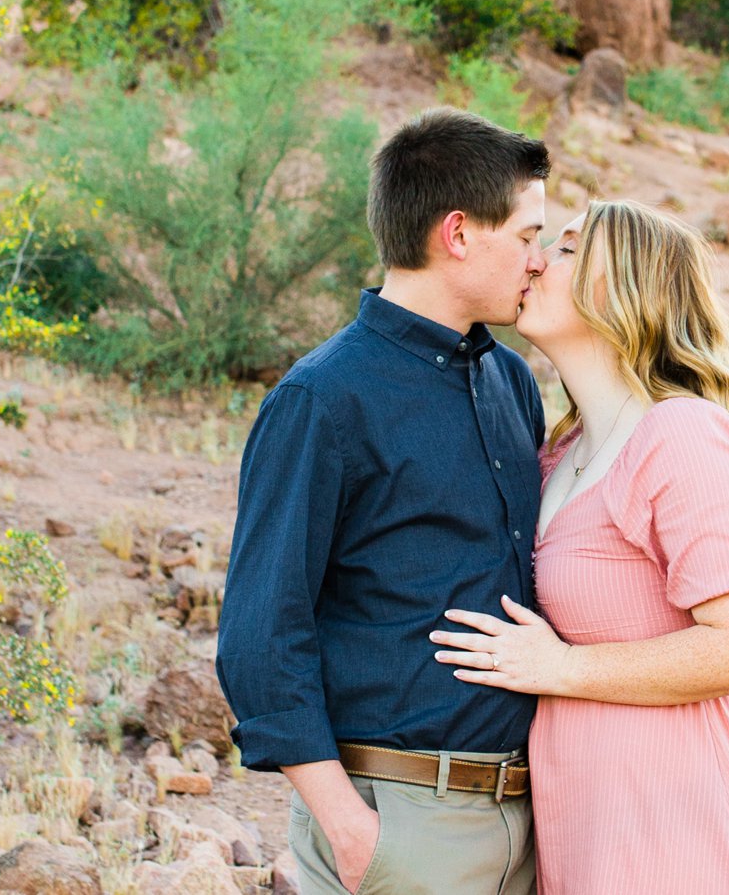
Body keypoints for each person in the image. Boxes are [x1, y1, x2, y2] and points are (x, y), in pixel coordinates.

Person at [217, 108, 551, 895]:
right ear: (460, 233)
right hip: (399, 824)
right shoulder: (322, 399)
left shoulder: (511, 381)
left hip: (529, 821)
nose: (537, 261)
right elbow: (261, 633)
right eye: (528, 235)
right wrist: (349, 829)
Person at [432, 199, 729, 895]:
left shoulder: (682, 435)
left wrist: (562, 667)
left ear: (629, 288)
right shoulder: (557, 454)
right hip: (583, 812)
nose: (537, 259)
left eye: (569, 248)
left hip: (671, 815)